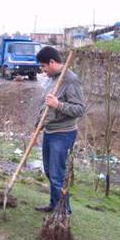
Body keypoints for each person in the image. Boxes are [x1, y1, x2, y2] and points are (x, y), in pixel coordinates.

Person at [34, 46, 85, 214]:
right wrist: (37, 129)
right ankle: (54, 204)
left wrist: (59, 105)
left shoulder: (70, 80)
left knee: (57, 175)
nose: (42, 70)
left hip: (63, 134)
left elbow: (79, 109)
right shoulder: (53, 79)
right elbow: (45, 107)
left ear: (52, 62)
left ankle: (63, 211)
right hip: (49, 132)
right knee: (50, 172)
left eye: (43, 66)